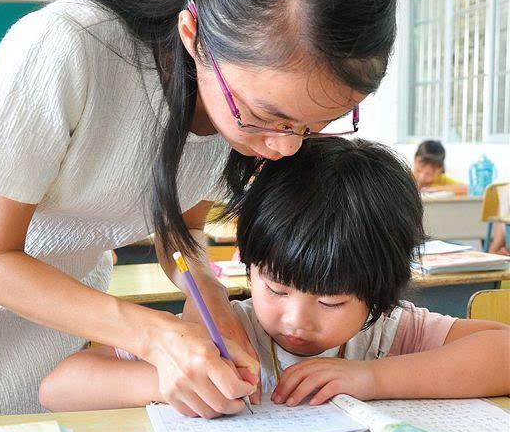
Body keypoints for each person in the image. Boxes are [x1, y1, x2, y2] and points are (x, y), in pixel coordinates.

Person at [0, 0, 397, 421]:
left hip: (60, 318)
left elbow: (179, 233)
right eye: (264, 118)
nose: (283, 148)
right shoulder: (73, 46)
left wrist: (208, 299)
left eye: (315, 125)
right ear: (194, 36)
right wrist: (156, 336)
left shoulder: (236, 109)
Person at [39, 138, 509, 414]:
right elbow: (58, 387)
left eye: (330, 303)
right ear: (247, 262)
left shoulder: (391, 333)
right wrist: (168, 380)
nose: (295, 320)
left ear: (380, 292)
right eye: (276, 289)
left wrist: (372, 379)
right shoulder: (222, 332)